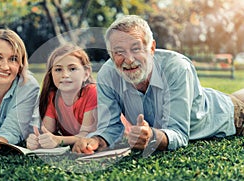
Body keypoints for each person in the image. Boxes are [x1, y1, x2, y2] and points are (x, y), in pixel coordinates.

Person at [72, 15, 244, 154]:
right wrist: (95, 140)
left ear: (152, 48)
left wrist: (152, 137)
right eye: (119, 52)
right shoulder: (107, 75)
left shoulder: (177, 67)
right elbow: (109, 127)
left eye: (136, 49)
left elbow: (178, 134)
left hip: (231, 114)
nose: (129, 59)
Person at [26, 44, 97, 150]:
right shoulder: (53, 97)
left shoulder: (92, 92)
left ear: (86, 74)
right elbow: (48, 131)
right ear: (51, 74)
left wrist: (58, 140)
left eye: (72, 69)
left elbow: (87, 135)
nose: (65, 75)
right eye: (58, 70)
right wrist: (38, 140)